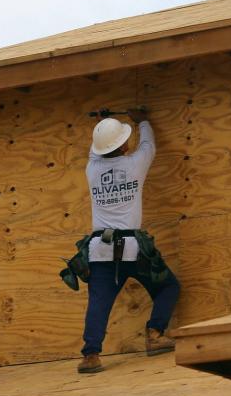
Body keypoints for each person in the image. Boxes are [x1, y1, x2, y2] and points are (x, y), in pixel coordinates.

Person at [78, 108, 181, 374]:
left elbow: (96, 149)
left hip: (100, 250)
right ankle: (155, 333)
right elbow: (148, 144)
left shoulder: (91, 169)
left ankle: (91, 356)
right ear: (123, 146)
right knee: (168, 287)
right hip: (133, 250)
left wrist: (103, 126)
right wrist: (143, 120)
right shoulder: (135, 164)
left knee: (99, 303)